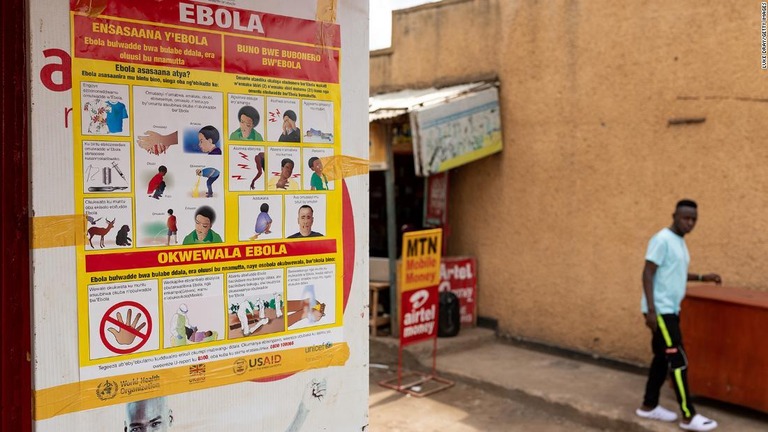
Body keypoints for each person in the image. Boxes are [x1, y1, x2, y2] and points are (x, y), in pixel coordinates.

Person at [636, 199, 721, 431]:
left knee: (662, 358)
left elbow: (675, 273)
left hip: (671, 310)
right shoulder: (662, 239)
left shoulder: (680, 242)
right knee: (678, 360)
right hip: (661, 311)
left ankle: (649, 405)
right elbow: (648, 272)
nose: (690, 223)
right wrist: (651, 311)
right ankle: (688, 416)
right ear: (674, 215)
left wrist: (703, 277)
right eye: (685, 218)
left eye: (694, 219)